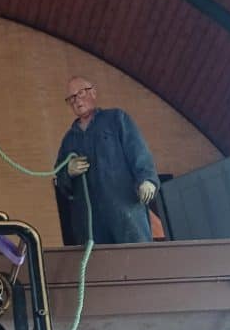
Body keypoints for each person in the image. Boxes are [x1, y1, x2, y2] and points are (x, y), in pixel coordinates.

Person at [54, 77, 160, 244]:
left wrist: (148, 180)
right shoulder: (69, 140)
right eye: (71, 98)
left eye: (80, 93)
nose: (77, 101)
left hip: (125, 210)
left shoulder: (116, 119)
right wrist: (68, 171)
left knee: (136, 255)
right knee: (100, 259)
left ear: (93, 93)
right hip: (90, 224)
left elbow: (138, 151)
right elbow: (60, 180)